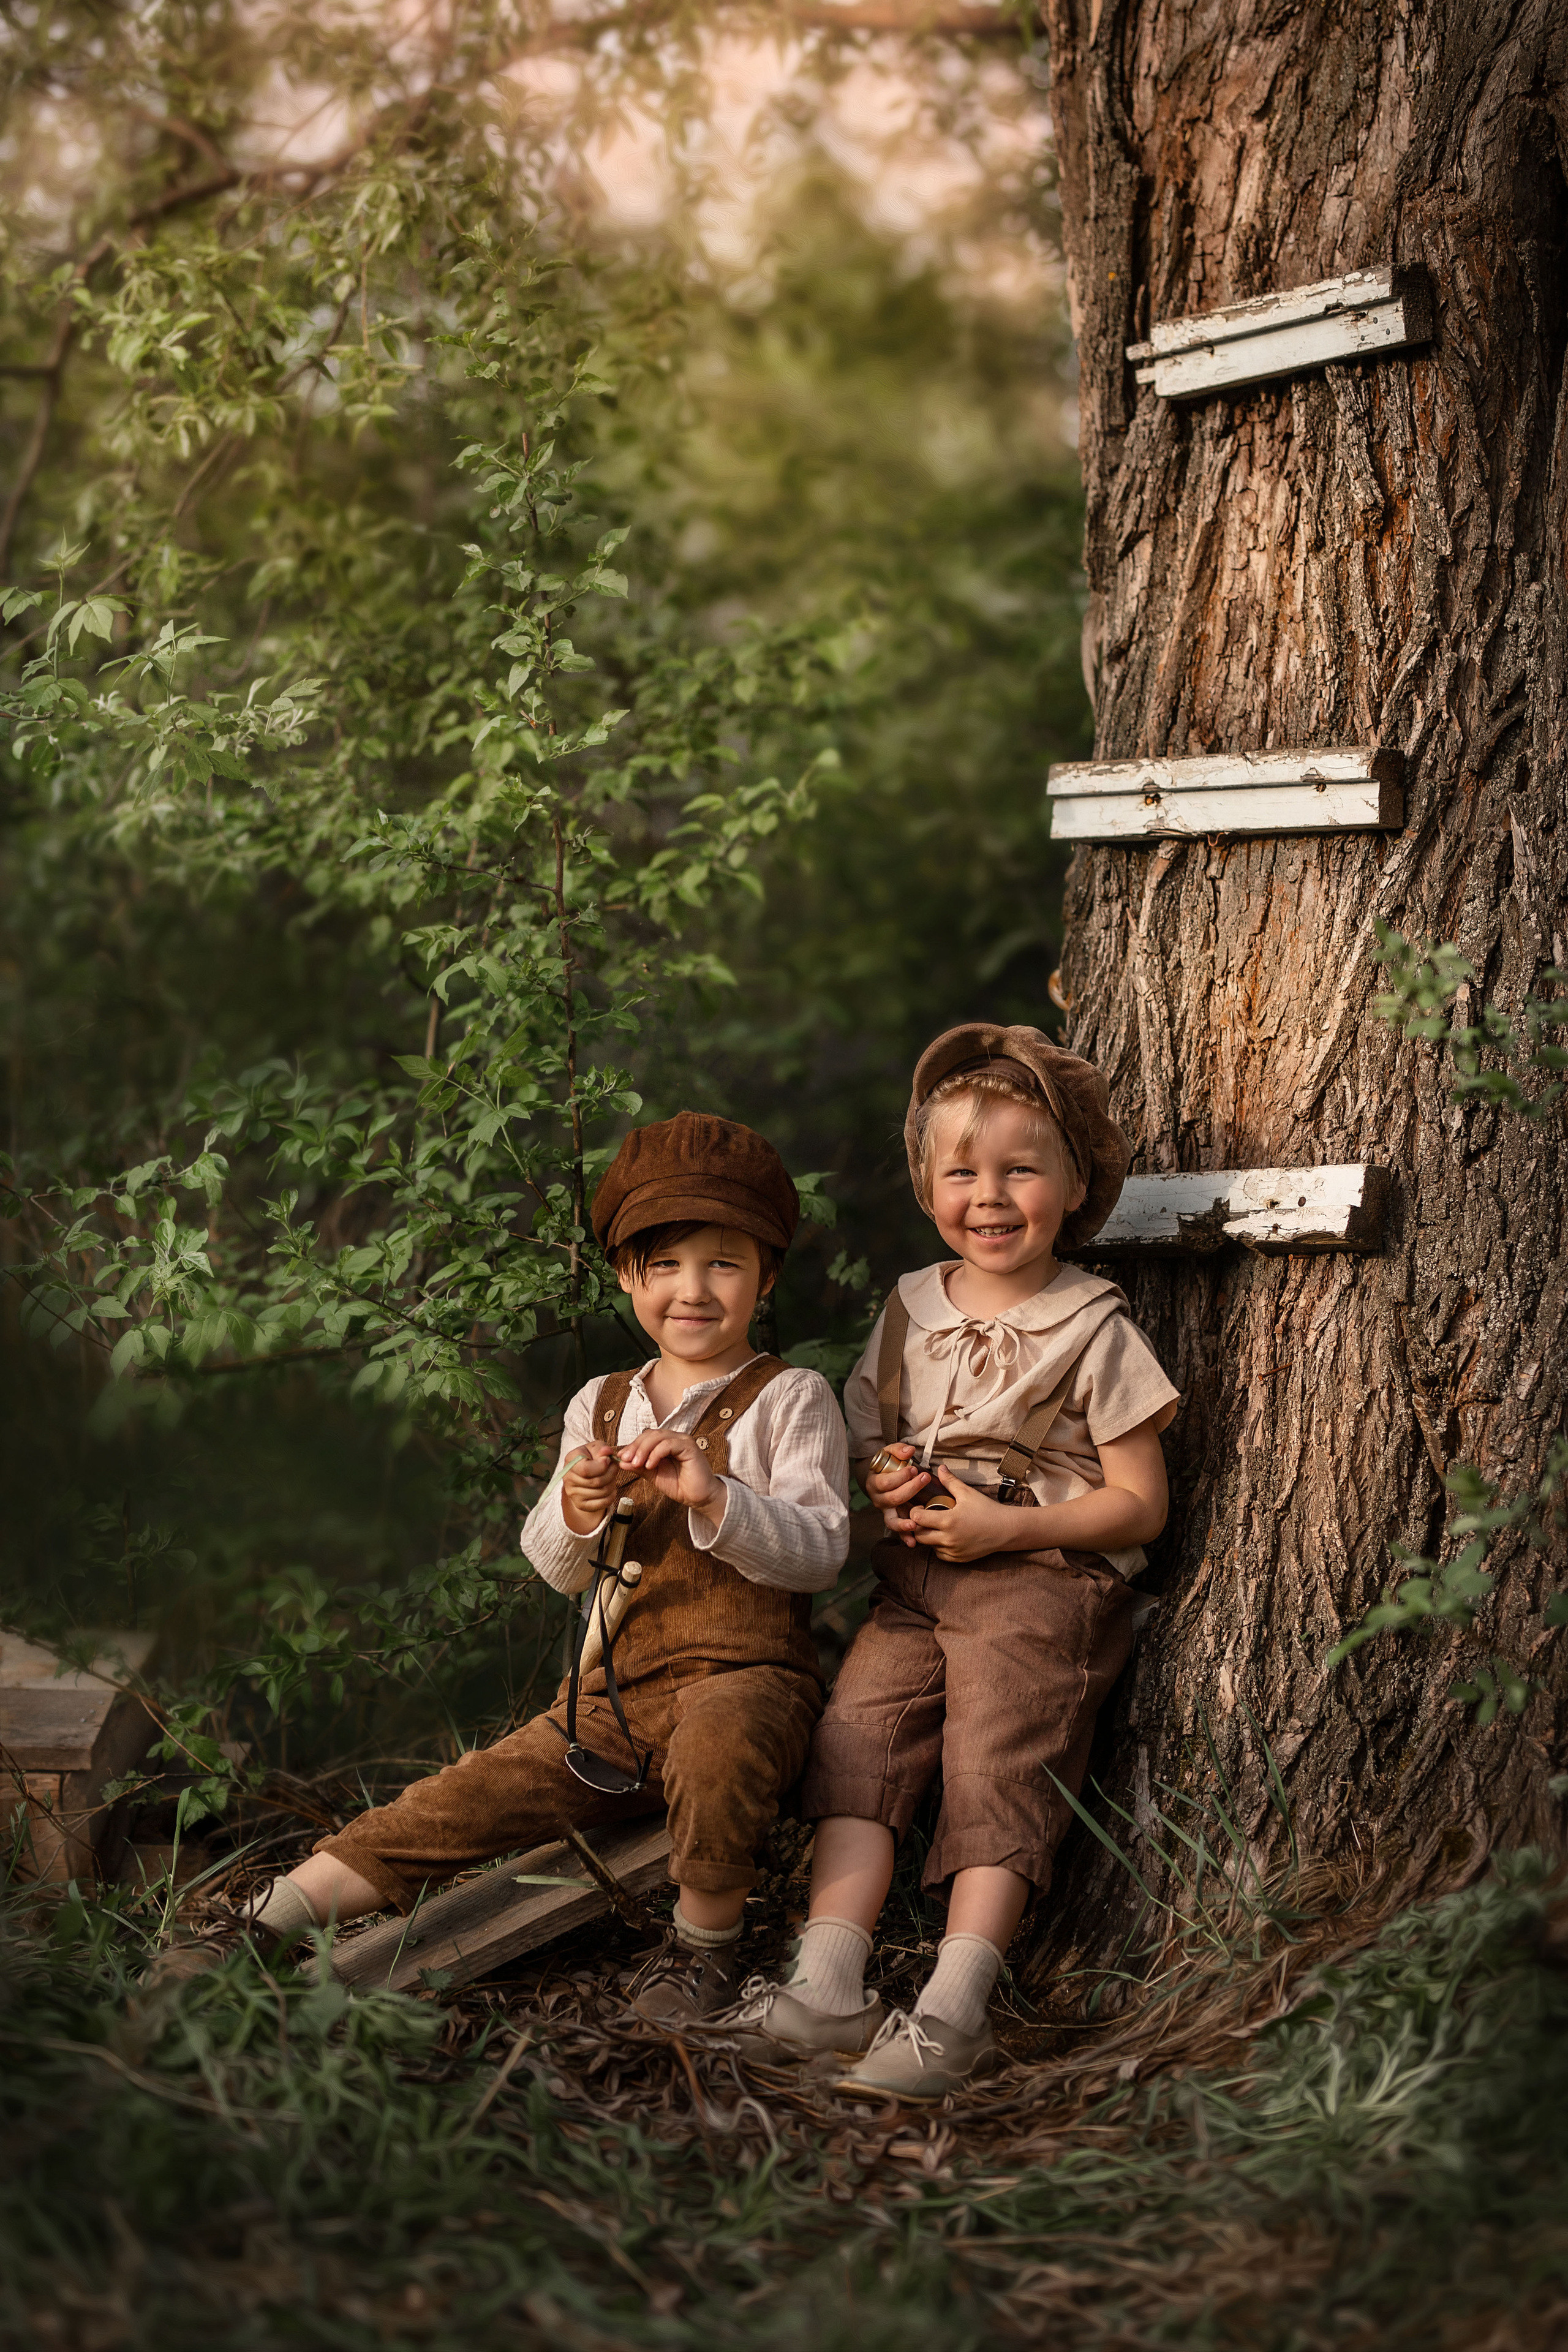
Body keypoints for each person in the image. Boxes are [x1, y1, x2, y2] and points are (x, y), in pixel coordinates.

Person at [153, 1112, 848, 2023]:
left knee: (718, 1748)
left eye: (724, 1262)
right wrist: (577, 1505)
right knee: (466, 1794)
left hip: (747, 1677)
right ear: (626, 1275)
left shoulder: (790, 1396)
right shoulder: (601, 1405)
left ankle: (701, 1952)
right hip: (615, 1698)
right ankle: (260, 1924)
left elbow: (822, 1551)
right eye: (665, 1264)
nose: (693, 1290)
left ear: (768, 1274)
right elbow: (557, 1567)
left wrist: (717, 1496)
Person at [733, 1022, 1178, 2097]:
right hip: (917, 1581)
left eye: (1022, 1169)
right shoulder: (911, 1305)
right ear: (928, 1186)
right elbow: (869, 1432)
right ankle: (829, 1984)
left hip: (1042, 1582)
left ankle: (952, 2013)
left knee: (997, 1766)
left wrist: (1007, 1528)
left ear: (1073, 1185)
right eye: (961, 1172)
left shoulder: (1092, 1326)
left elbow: (1142, 1507)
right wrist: (888, 1478)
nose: (990, 1195)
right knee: (857, 1743)